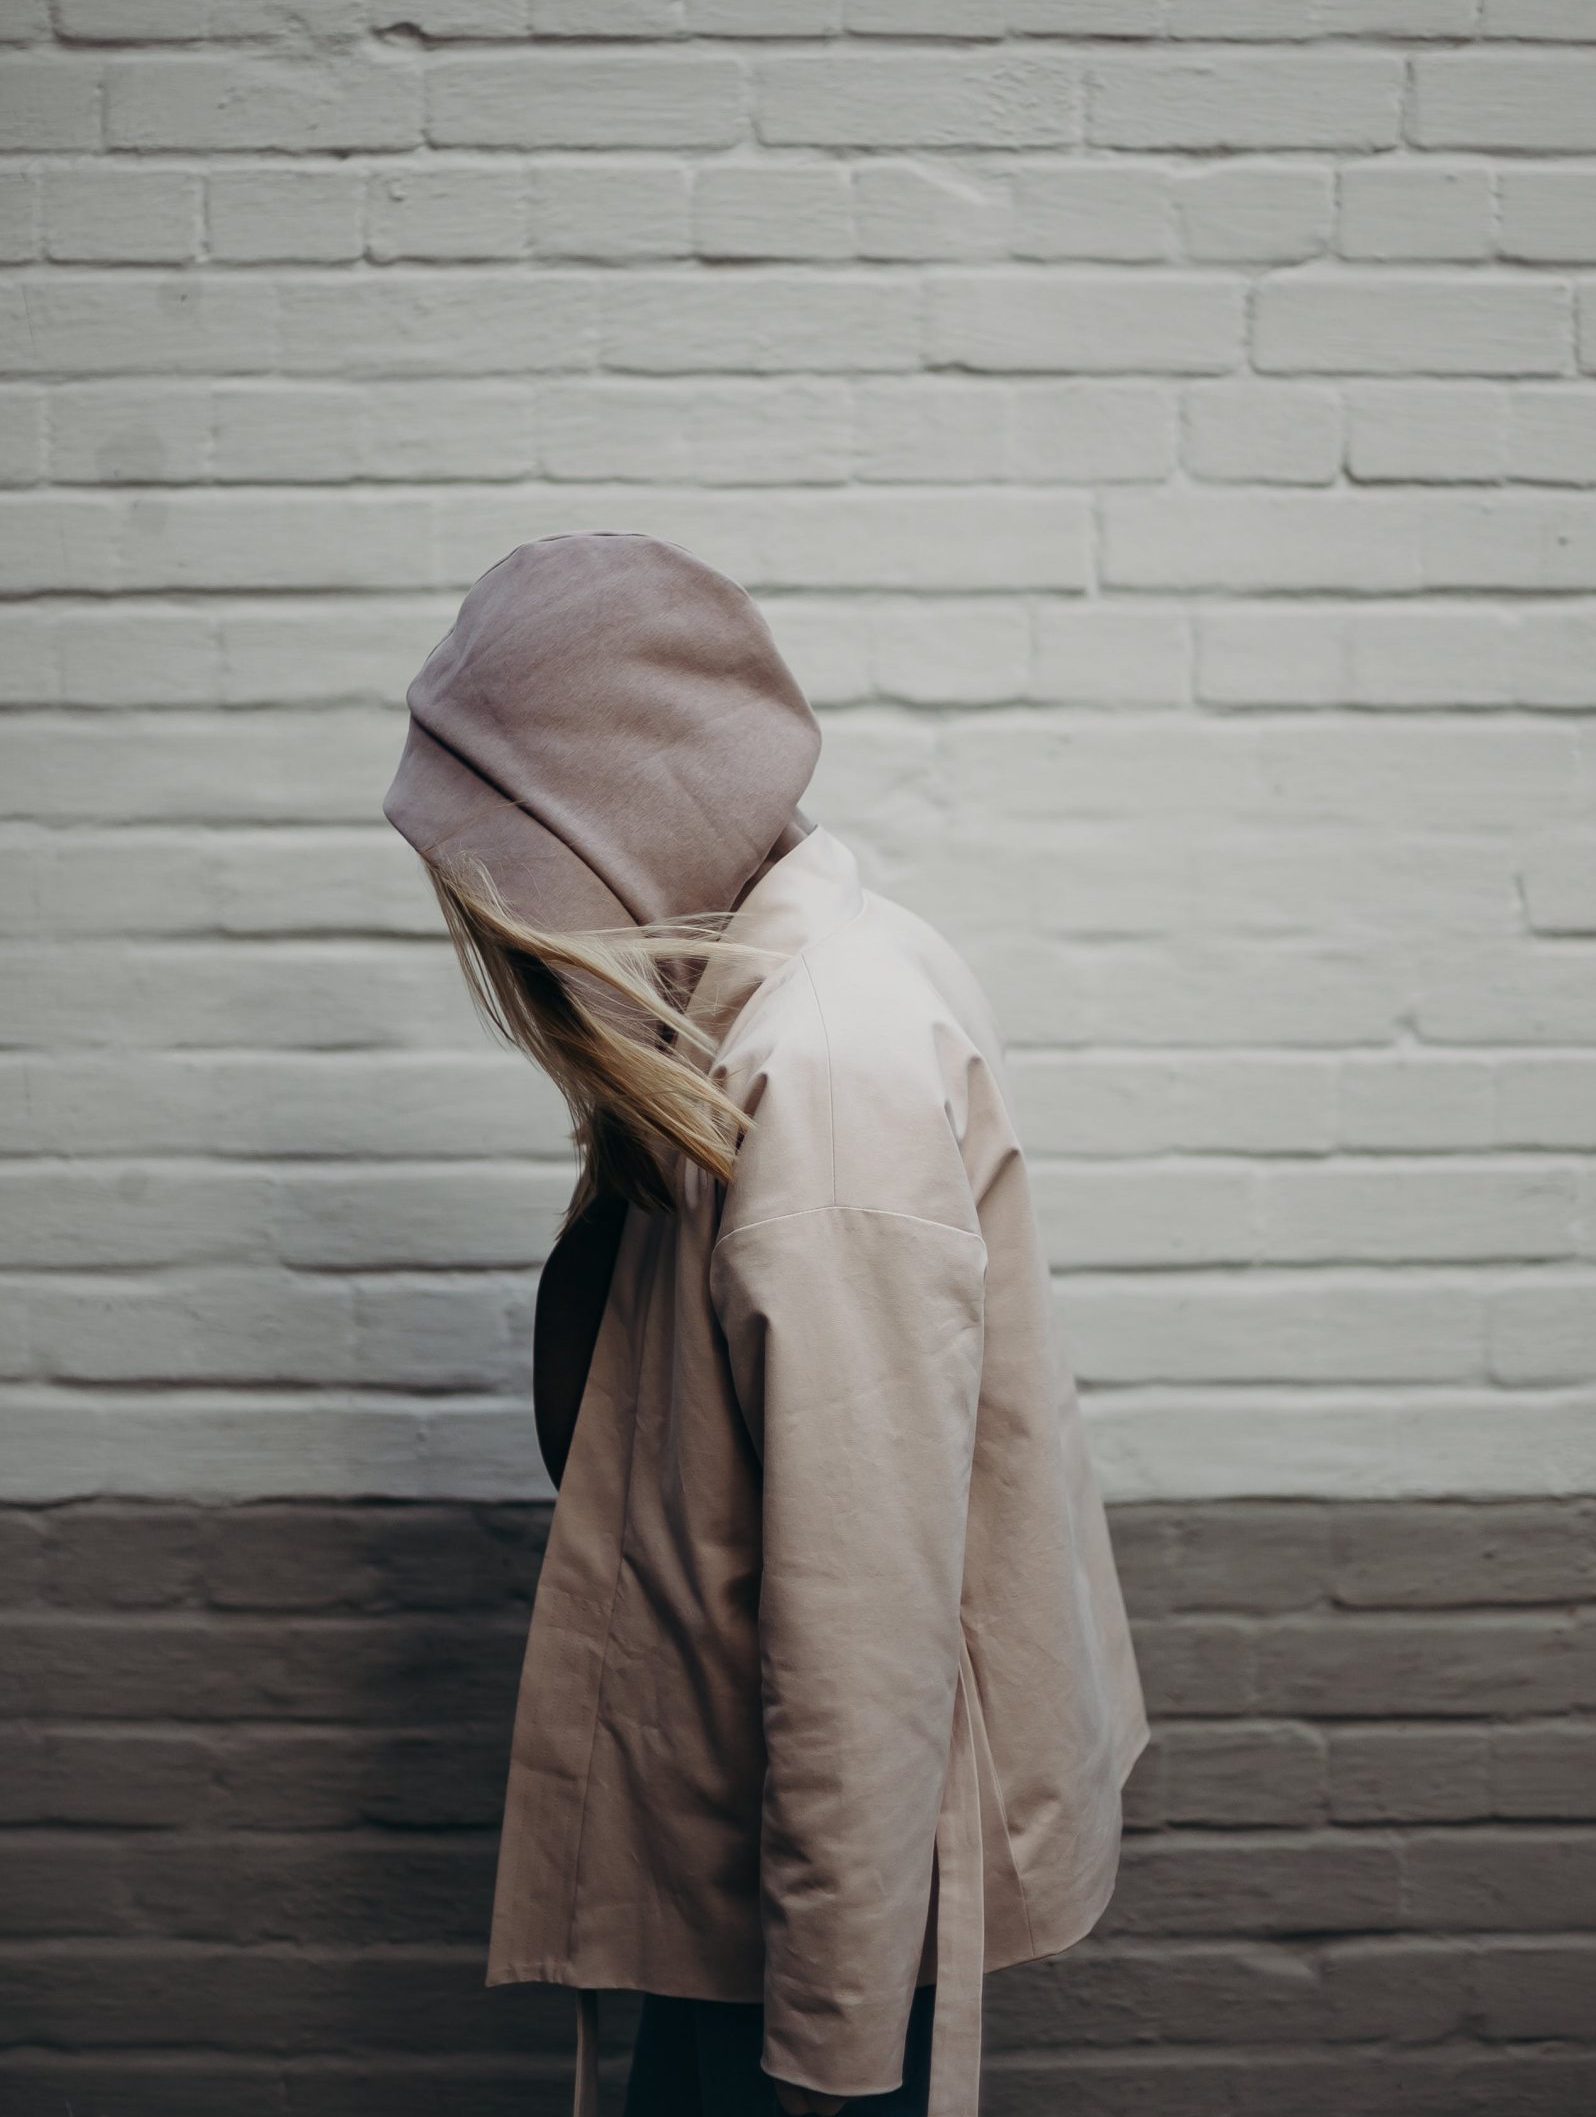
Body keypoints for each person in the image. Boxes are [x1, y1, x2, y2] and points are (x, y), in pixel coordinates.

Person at [383, 531, 1147, 2117]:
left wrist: (831, 2036)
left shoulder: (824, 1070)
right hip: (745, 1862)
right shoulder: (781, 998)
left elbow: (865, 1621)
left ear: (602, 842)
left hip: (795, 1907)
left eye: (506, 867)